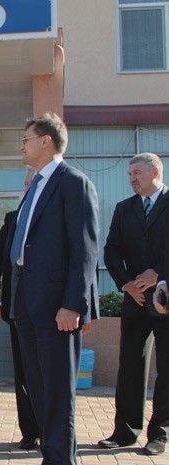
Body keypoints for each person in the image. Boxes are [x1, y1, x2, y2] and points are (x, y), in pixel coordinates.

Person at [3, 112, 99, 465]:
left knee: (58, 391)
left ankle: (61, 460)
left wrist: (74, 304)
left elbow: (85, 249)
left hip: (58, 306)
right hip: (27, 302)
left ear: (46, 141)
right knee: (39, 389)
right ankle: (52, 455)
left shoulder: (73, 182)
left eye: (26, 138)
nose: (22, 145)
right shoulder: (36, 187)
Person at [102, 153, 169, 456]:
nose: (131, 178)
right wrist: (126, 283)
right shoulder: (124, 209)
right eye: (129, 173)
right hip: (134, 300)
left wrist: (159, 273)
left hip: (165, 299)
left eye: (137, 172)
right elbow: (111, 250)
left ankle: (160, 433)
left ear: (156, 171)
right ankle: (125, 431)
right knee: (130, 365)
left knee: (166, 369)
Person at [0, 166, 40, 450]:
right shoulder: (13, 218)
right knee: (25, 375)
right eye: (27, 182)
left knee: (50, 375)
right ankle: (30, 431)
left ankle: (53, 431)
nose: (30, 187)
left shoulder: (58, 214)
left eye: (35, 182)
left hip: (52, 314)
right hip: (18, 312)